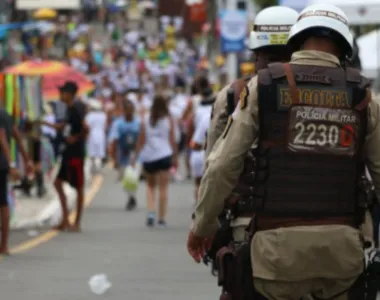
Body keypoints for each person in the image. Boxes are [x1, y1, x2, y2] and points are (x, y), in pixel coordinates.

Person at [188, 4, 380, 299]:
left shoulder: (259, 88)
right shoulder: (364, 97)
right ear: (345, 48)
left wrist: (203, 225)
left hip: (274, 256)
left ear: (298, 41)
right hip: (342, 256)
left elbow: (221, 165)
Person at [40, 81, 87, 232]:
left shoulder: (76, 108)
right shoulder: (67, 109)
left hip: (76, 154)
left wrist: (77, 138)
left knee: (79, 188)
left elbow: (86, 128)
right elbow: (62, 127)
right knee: (58, 183)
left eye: (63, 93)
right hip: (67, 152)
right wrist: (43, 123)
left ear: (69, 94)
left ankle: (77, 222)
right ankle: (65, 219)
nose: (60, 95)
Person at [132, 95, 178, 227]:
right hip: (165, 155)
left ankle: (151, 212)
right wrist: (175, 157)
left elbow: (141, 140)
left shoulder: (146, 119)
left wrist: (135, 156)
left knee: (150, 186)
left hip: (149, 156)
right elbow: (172, 140)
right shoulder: (169, 119)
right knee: (163, 188)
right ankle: (162, 218)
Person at [189, 77, 215, 203]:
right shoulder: (216, 112)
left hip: (201, 148)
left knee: (199, 183)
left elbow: (193, 139)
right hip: (213, 150)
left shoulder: (200, 112)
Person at [113, 99, 140, 211]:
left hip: (137, 155)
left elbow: (142, 139)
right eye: (127, 110)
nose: (129, 112)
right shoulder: (118, 124)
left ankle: (131, 198)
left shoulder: (138, 123)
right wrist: (115, 158)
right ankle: (131, 197)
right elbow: (114, 141)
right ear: (124, 110)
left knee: (133, 178)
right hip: (123, 155)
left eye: (131, 109)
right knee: (126, 179)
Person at [85, 99, 107, 175]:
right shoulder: (103, 115)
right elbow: (105, 126)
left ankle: (93, 168)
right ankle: (99, 169)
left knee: (92, 152)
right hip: (101, 134)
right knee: (100, 152)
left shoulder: (89, 115)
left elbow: (87, 126)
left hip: (92, 135)